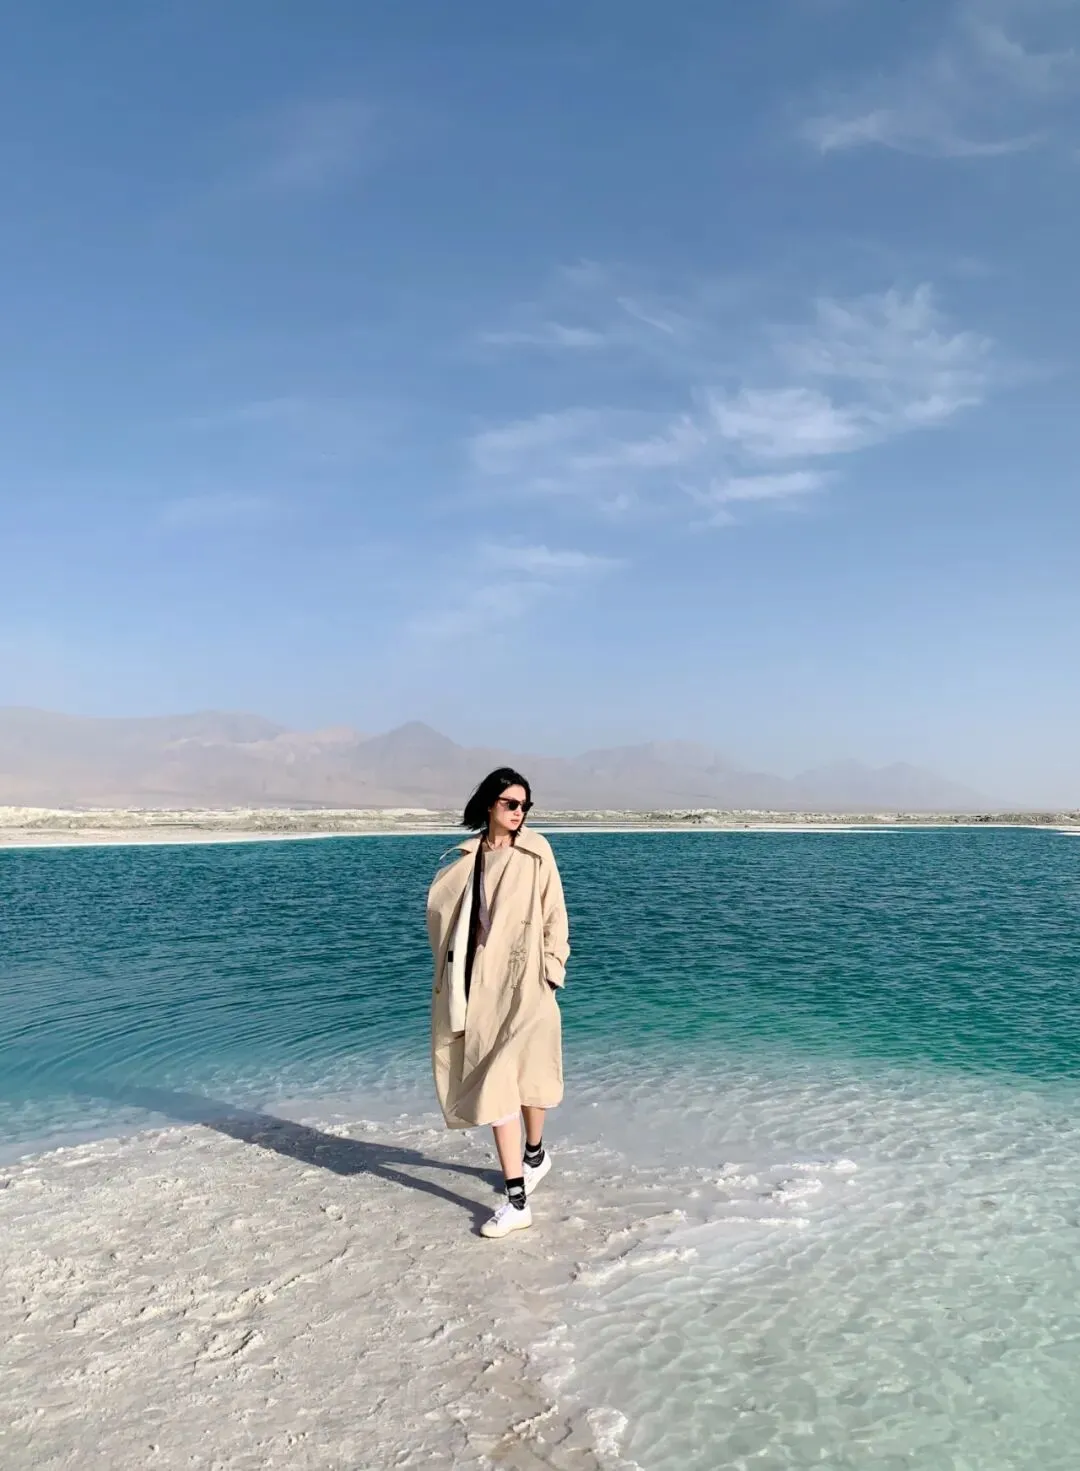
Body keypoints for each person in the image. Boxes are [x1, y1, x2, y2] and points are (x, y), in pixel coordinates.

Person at [426, 767, 570, 1239]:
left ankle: (535, 1155)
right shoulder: (468, 859)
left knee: (529, 1074)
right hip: (482, 987)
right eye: (510, 803)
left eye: (525, 805)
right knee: (495, 1083)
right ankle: (517, 1199)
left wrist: (552, 970)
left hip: (529, 984)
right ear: (489, 804)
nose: (518, 812)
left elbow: (555, 914)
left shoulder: (537, 851)